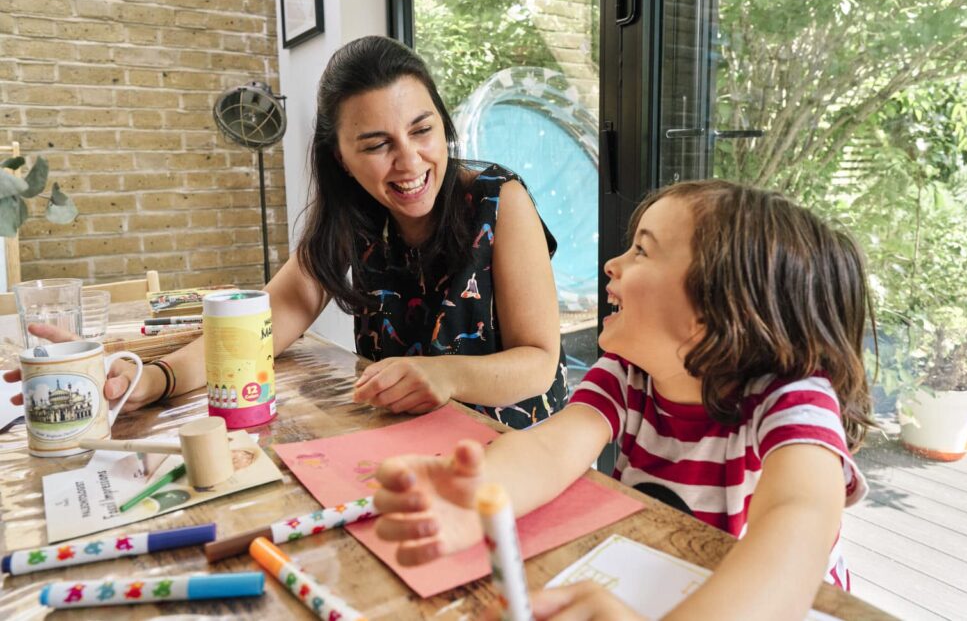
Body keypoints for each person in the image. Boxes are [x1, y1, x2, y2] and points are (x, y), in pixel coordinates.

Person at [7, 36, 568, 430]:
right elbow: (258, 328)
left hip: (516, 443)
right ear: (341, 158)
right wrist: (149, 379)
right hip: (406, 443)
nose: (409, 161)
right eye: (376, 144)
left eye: (422, 130)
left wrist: (443, 374)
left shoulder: (499, 199)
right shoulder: (353, 215)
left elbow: (540, 361)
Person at [372, 180, 875, 619]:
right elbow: (549, 450)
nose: (612, 264)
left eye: (642, 251)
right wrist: (476, 501)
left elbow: (798, 525)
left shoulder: (793, 400)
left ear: (717, 310)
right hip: (659, 581)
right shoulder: (629, 374)